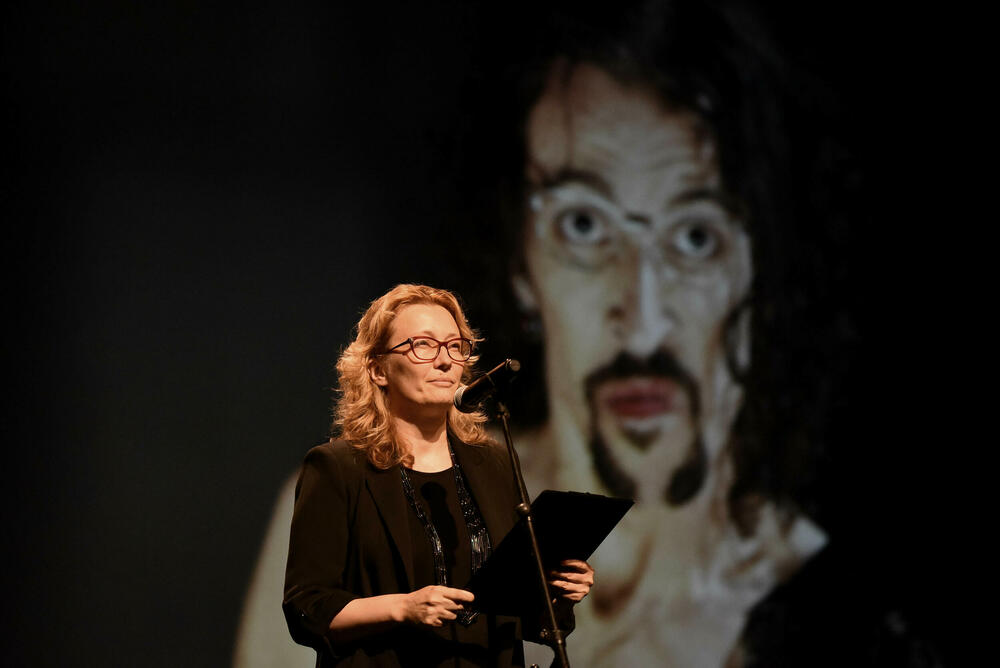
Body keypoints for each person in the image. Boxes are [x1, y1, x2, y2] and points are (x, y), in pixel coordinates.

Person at [236, 2, 861, 666]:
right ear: (521, 258)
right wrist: (416, 613)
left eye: (696, 235)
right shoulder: (345, 493)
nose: (644, 320)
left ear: (751, 267)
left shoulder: (824, 601)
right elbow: (313, 613)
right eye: (584, 225)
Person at [282, 283, 594, 667]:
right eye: (423, 345)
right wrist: (403, 608)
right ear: (378, 369)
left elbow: (521, 615)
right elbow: (307, 607)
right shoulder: (338, 468)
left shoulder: (492, 463)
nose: (445, 361)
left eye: (455, 346)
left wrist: (557, 591)